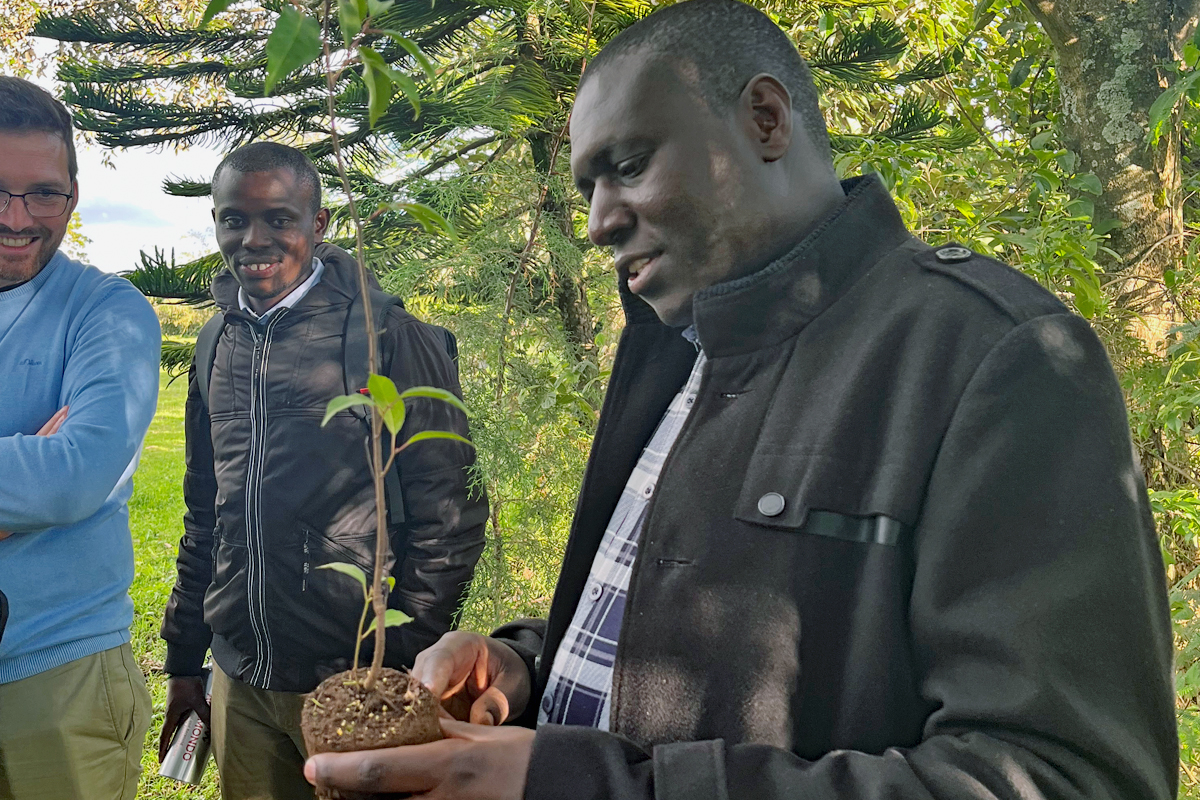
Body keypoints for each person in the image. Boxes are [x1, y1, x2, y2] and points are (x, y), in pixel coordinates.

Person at [301, 1, 1179, 799]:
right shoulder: (668, 348)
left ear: (765, 119)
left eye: (630, 165)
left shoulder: (993, 358)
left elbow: (1065, 776)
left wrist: (585, 786)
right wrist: (525, 666)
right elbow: (683, 630)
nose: (600, 219)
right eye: (587, 188)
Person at [159, 141, 488, 799]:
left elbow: (451, 513)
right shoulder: (216, 339)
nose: (253, 239)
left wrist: (392, 667)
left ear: (319, 224)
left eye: (278, 217)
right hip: (242, 682)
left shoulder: (387, 336)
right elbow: (206, 507)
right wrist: (185, 660)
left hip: (352, 684)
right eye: (233, 219)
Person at [0, 76, 161, 800]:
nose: (17, 217)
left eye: (43, 193)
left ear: (73, 193)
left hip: (56, 672)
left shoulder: (106, 312)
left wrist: (56, 474)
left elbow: (74, 477)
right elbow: (47, 478)